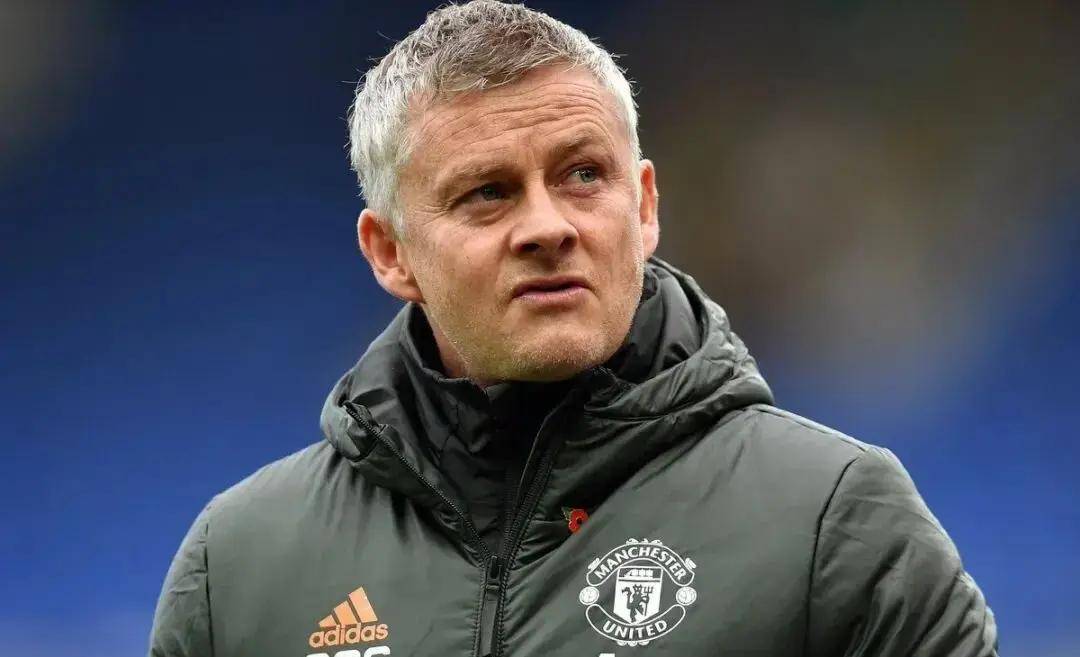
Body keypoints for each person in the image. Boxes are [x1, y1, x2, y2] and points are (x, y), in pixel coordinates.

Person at [148, 2, 998, 656]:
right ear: (391, 252)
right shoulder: (241, 568)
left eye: (583, 175)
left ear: (646, 205)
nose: (548, 226)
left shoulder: (832, 520)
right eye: (488, 192)